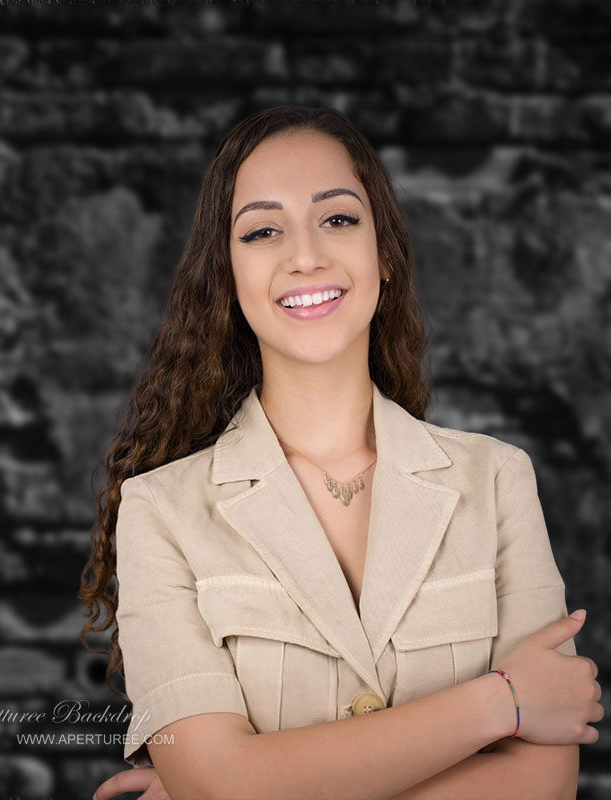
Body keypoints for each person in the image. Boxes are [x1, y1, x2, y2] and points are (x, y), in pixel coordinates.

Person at [79, 105, 603, 800]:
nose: (305, 255)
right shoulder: (160, 512)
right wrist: (501, 703)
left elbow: (543, 786)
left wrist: (253, 784)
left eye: (338, 219)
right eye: (263, 231)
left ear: (383, 252)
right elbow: (220, 785)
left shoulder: (498, 481)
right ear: (227, 278)